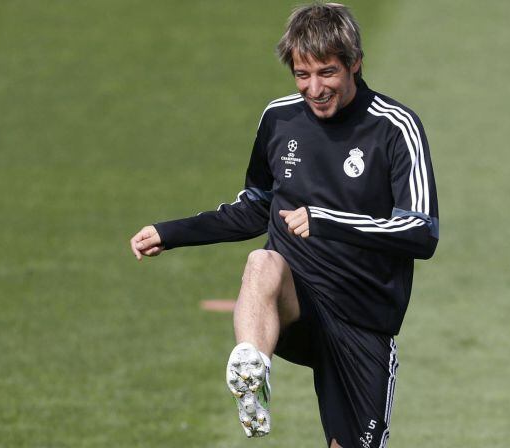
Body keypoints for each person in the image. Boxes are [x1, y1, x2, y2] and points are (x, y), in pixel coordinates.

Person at [128, 3, 439, 447]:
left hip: (361, 322)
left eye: (327, 73)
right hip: (299, 304)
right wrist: (173, 232)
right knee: (262, 263)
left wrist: (327, 222)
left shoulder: (395, 128)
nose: (314, 89)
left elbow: (420, 233)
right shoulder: (279, 118)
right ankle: (252, 370)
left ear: (355, 64)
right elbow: (256, 208)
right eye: (302, 74)